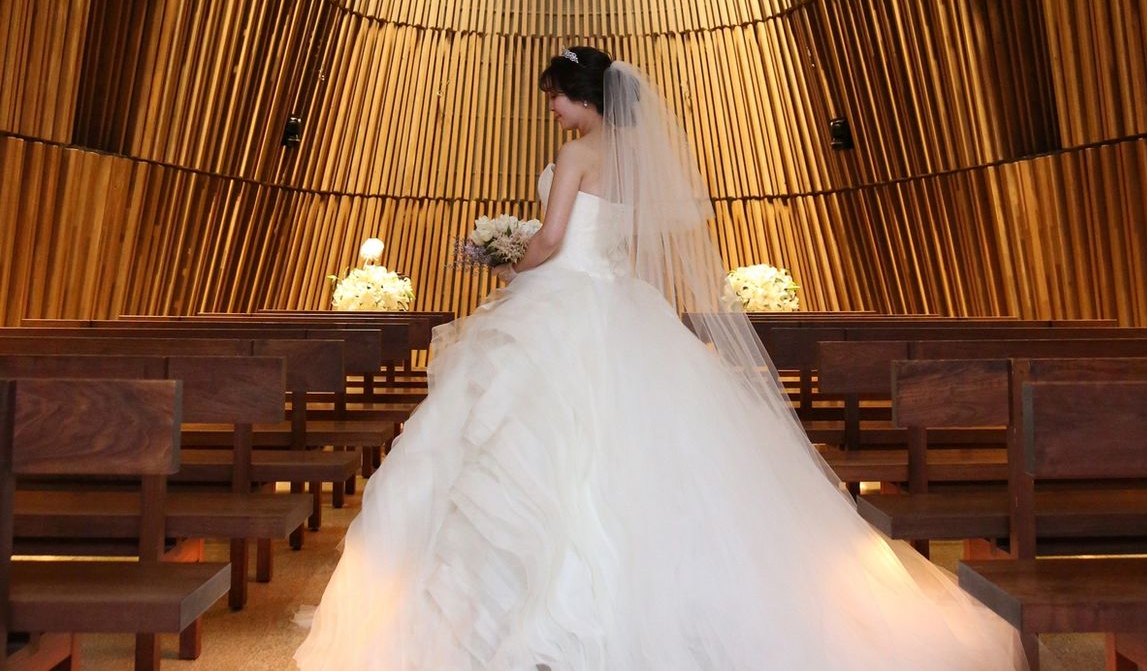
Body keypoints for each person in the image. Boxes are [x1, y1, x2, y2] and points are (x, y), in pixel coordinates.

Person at [295, 47, 1027, 670]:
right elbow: (627, 246)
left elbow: (551, 240)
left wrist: (508, 265)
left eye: (554, 95)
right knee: (635, 457)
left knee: (525, 448)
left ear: (582, 96)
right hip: (621, 301)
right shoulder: (634, 157)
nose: (550, 106)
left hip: (562, 301)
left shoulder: (576, 153)